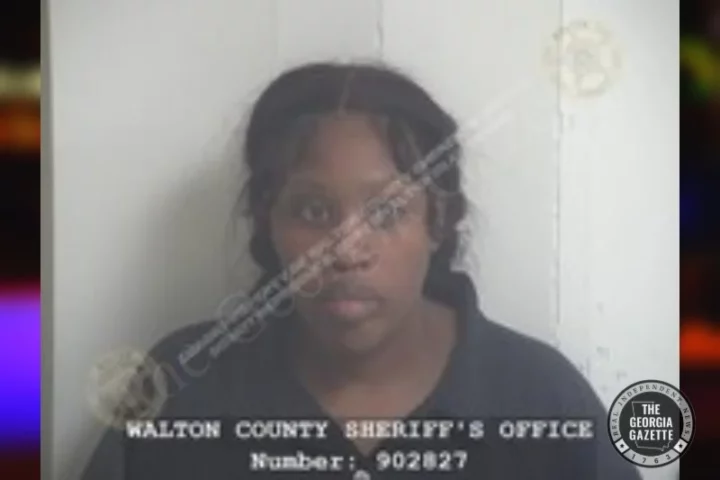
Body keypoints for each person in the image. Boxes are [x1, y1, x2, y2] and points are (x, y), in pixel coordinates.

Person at [81, 62, 641, 479]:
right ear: (268, 223)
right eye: (312, 211)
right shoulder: (184, 388)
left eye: (388, 212)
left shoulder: (541, 399)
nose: (346, 250)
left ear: (439, 222)